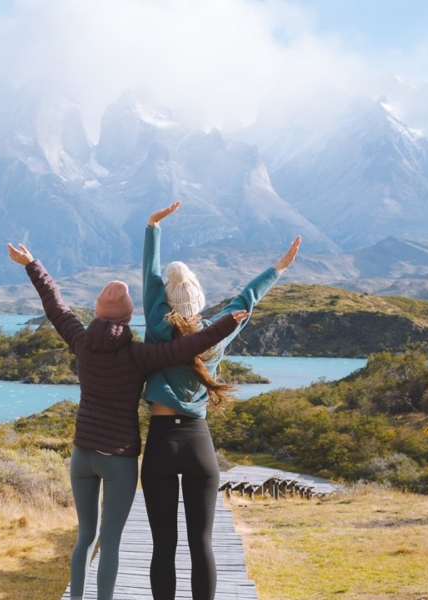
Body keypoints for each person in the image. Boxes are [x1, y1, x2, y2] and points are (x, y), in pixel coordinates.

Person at [7, 241, 250, 600]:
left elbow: (55, 306)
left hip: (81, 455)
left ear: (97, 313)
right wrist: (227, 323)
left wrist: (32, 264)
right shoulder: (138, 355)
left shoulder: (80, 341)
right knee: (111, 540)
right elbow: (185, 348)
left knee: (84, 536)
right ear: (126, 318)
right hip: (117, 458)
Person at [140, 201, 301, 600]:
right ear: (198, 300)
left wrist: (153, 228)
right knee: (202, 545)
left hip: (160, 442)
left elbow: (151, 277)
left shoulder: (158, 327)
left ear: (167, 301)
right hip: (198, 444)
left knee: (163, 546)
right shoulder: (216, 334)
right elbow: (249, 296)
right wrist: (279, 268)